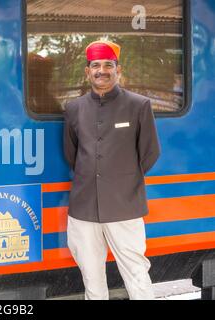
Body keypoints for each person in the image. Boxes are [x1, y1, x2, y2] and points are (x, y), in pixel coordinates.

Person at [63, 40, 161, 300]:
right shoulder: (73, 109)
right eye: (96, 65)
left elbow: (150, 153)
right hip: (84, 207)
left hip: (125, 206)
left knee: (136, 272)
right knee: (91, 278)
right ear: (87, 71)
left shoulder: (139, 105)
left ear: (118, 69)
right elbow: (71, 154)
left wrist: (122, 182)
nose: (102, 70)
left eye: (108, 65)